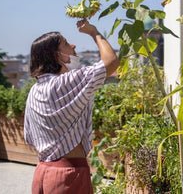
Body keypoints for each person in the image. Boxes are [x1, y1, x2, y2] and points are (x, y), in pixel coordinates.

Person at [24, 19, 119, 194]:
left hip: (43, 173)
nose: (73, 45)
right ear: (57, 55)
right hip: (68, 176)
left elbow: (30, 138)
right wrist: (94, 32)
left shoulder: (34, 91)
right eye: (67, 44)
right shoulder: (65, 82)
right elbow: (111, 61)